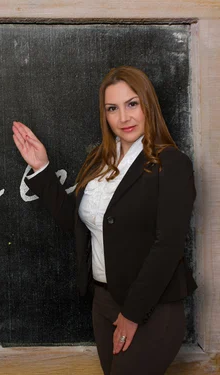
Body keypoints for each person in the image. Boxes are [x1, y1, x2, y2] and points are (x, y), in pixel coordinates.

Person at [12, 66, 197, 375]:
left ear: (148, 105)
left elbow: (168, 245)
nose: (123, 117)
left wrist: (132, 314)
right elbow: (77, 224)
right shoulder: (99, 163)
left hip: (151, 308)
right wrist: (42, 168)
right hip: (104, 303)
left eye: (132, 104)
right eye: (113, 108)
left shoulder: (171, 164)